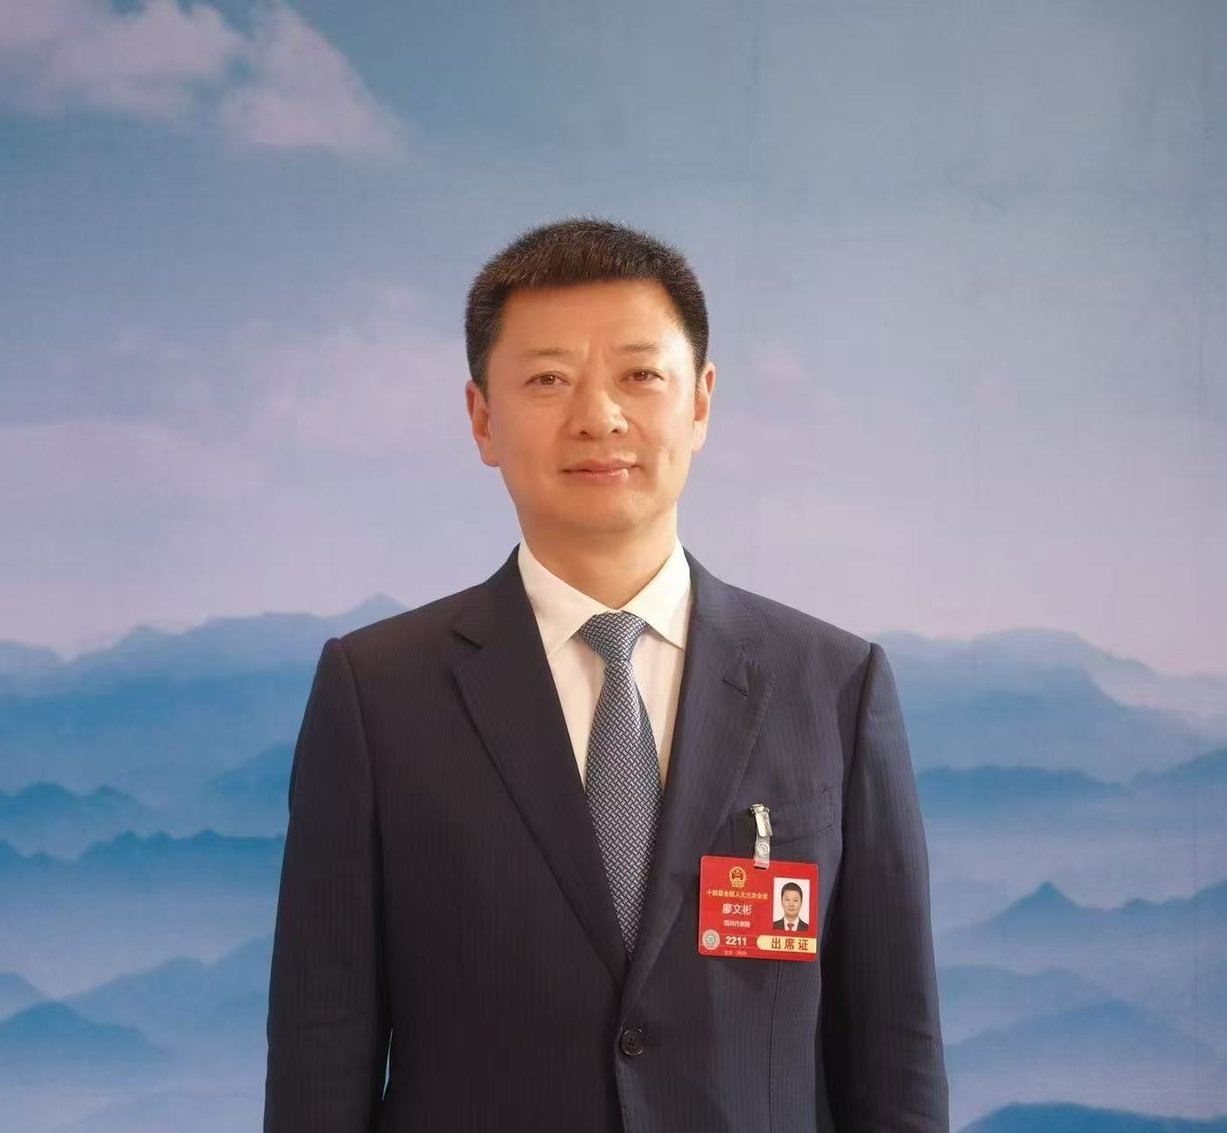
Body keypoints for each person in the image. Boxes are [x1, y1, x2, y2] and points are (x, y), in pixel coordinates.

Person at [264, 217, 948, 1132]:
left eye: (640, 375)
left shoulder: (835, 687)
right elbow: (320, 1052)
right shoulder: (376, 693)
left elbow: (897, 1059)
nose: (599, 416)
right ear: (482, 419)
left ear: (700, 403)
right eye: (548, 379)